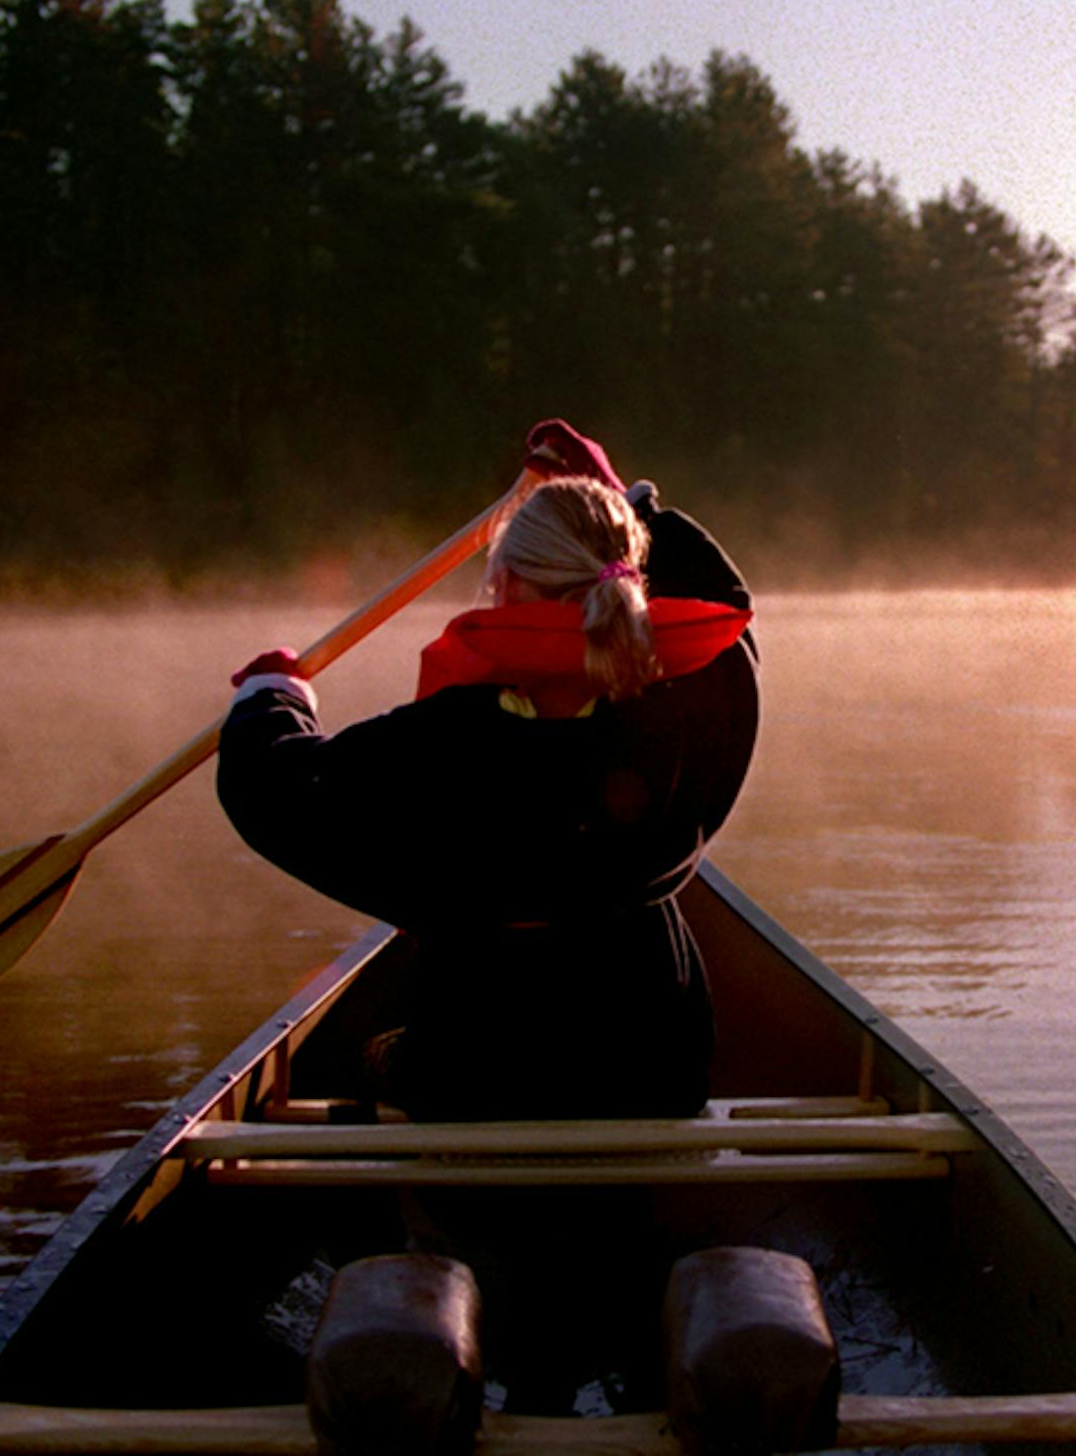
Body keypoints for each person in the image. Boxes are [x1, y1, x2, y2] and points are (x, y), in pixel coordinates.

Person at [216, 419, 758, 1125]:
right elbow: (729, 620)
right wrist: (633, 502)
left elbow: (277, 791)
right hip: (653, 1068)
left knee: (381, 1055)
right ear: (628, 580)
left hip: (478, 1077)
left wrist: (273, 698)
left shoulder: (441, 743)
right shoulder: (684, 722)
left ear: (502, 585)